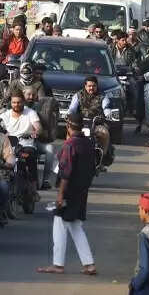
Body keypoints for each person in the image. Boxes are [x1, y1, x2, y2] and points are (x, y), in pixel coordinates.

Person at [36, 112, 97, 276]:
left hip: (69, 191)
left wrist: (60, 195)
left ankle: (58, 264)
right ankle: (89, 264)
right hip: (82, 190)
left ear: (68, 127)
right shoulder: (88, 143)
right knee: (76, 225)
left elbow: (65, 174)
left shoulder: (69, 145)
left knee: (60, 225)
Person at [67, 76, 112, 154]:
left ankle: (103, 155)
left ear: (97, 86)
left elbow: (106, 107)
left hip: (97, 124)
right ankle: (68, 151)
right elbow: (72, 108)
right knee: (69, 131)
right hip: (79, 124)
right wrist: (69, 114)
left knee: (105, 133)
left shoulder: (103, 96)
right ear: (85, 86)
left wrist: (107, 113)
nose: (91, 88)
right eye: (89, 86)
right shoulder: (78, 95)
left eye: (94, 86)